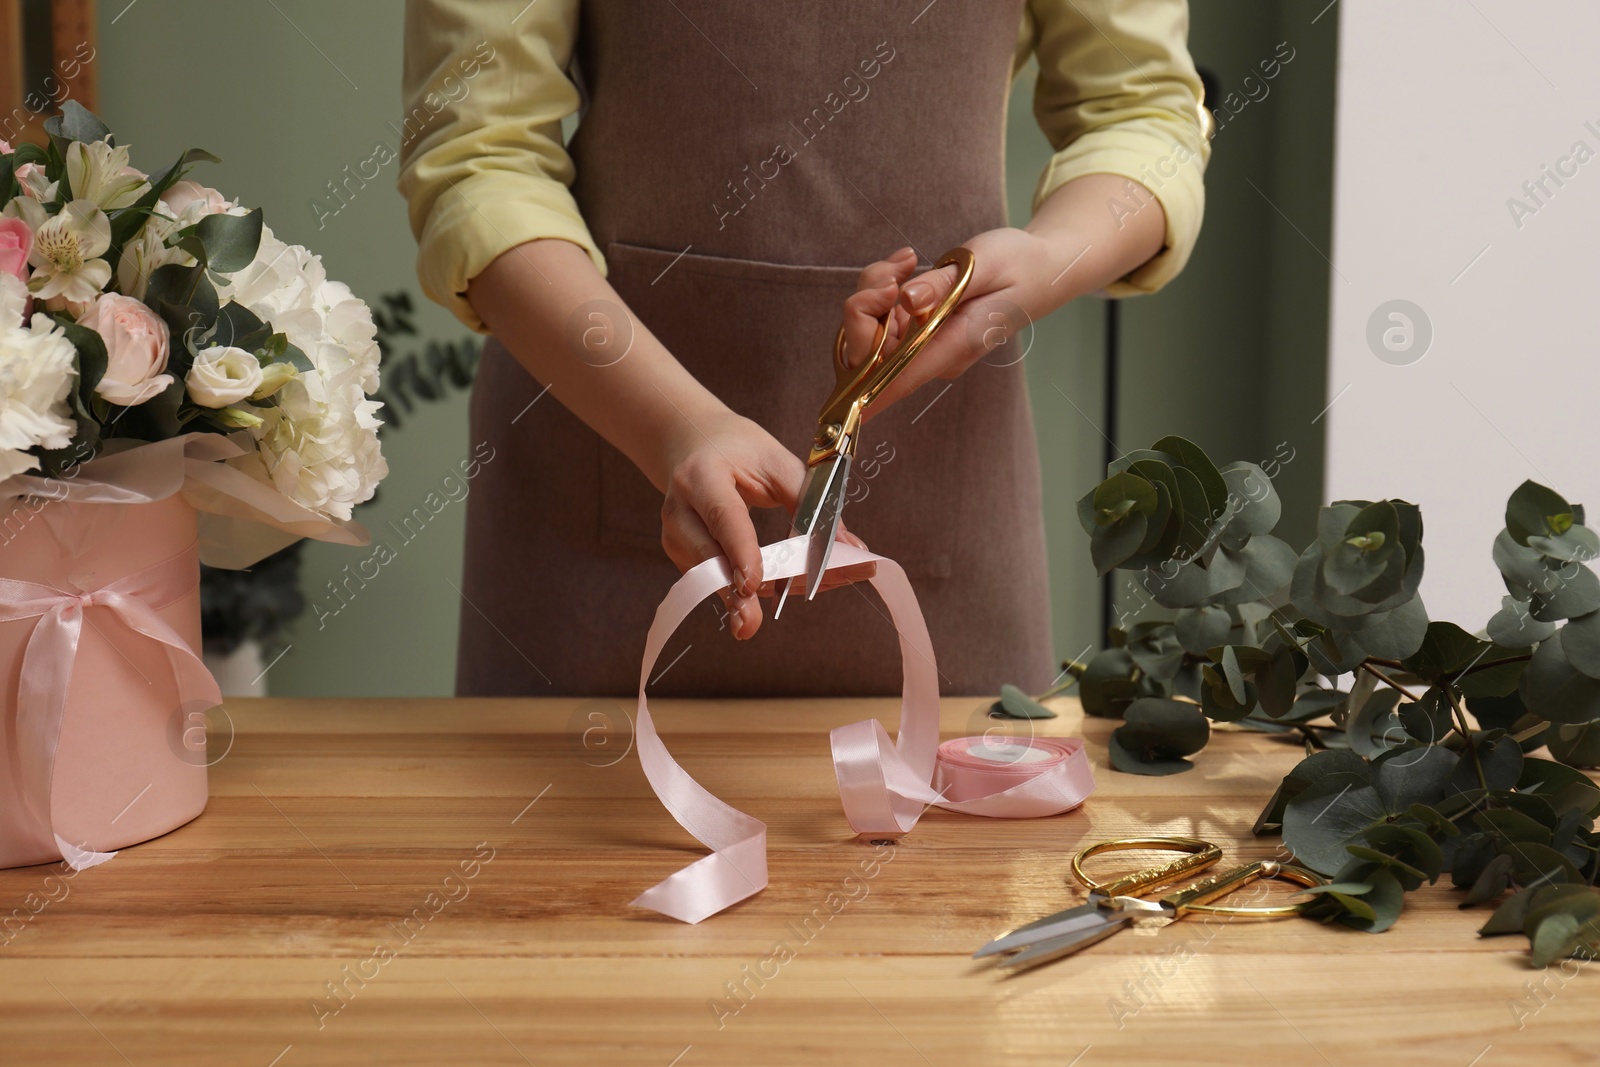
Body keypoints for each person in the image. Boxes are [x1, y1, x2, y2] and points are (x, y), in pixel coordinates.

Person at [399, 0, 1209, 698]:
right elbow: (478, 156)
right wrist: (673, 423)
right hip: (585, 525)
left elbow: (1143, 116)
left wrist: (1040, 265)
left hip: (951, 527)